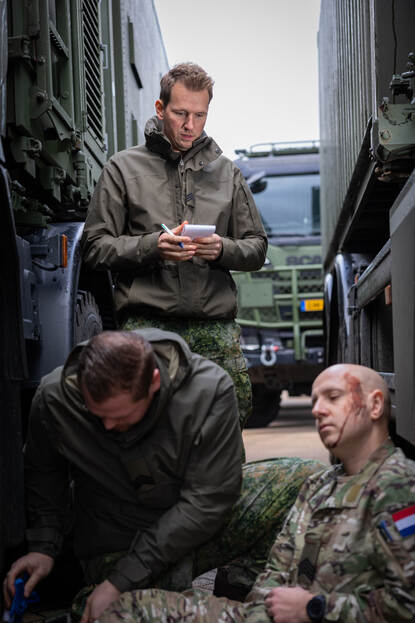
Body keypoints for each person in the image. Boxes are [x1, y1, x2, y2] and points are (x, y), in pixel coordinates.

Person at [95, 363, 415, 622]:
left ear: (374, 405)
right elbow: (275, 572)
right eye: (315, 400)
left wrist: (315, 609)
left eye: (332, 397)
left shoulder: (398, 487)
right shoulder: (319, 487)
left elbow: (407, 604)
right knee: (130, 608)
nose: (317, 410)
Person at [2, 329, 243, 621]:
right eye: (98, 415)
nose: (106, 426)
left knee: (295, 480)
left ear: (154, 382)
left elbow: (209, 500)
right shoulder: (55, 399)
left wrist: (121, 581)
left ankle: (243, 586)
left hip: (197, 525)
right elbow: (44, 473)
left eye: (120, 417)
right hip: (117, 538)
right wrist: (43, 547)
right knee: (126, 613)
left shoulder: (209, 390)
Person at [81, 62, 268, 431]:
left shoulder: (226, 173)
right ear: (160, 108)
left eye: (200, 115)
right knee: (145, 430)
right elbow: (95, 247)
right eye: (181, 113)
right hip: (147, 325)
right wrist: (154, 246)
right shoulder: (123, 168)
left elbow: (257, 248)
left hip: (214, 328)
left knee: (226, 426)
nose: (190, 125)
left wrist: (220, 249)